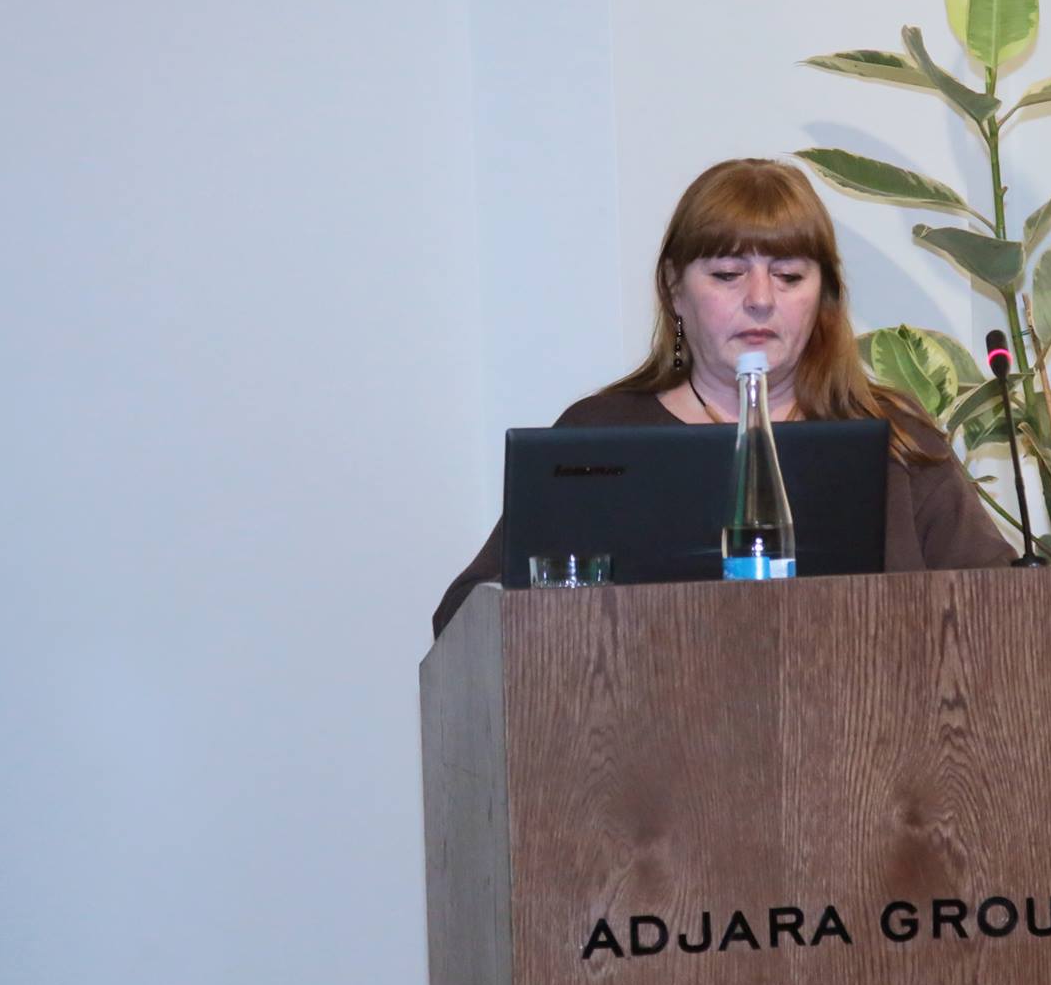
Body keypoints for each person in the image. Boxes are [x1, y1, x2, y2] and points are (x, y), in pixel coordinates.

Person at [432, 157, 1014, 637]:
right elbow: (466, 618)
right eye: (728, 274)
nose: (760, 299)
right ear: (673, 289)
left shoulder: (897, 438)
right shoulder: (598, 436)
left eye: (789, 276)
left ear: (824, 295)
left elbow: (1005, 607)